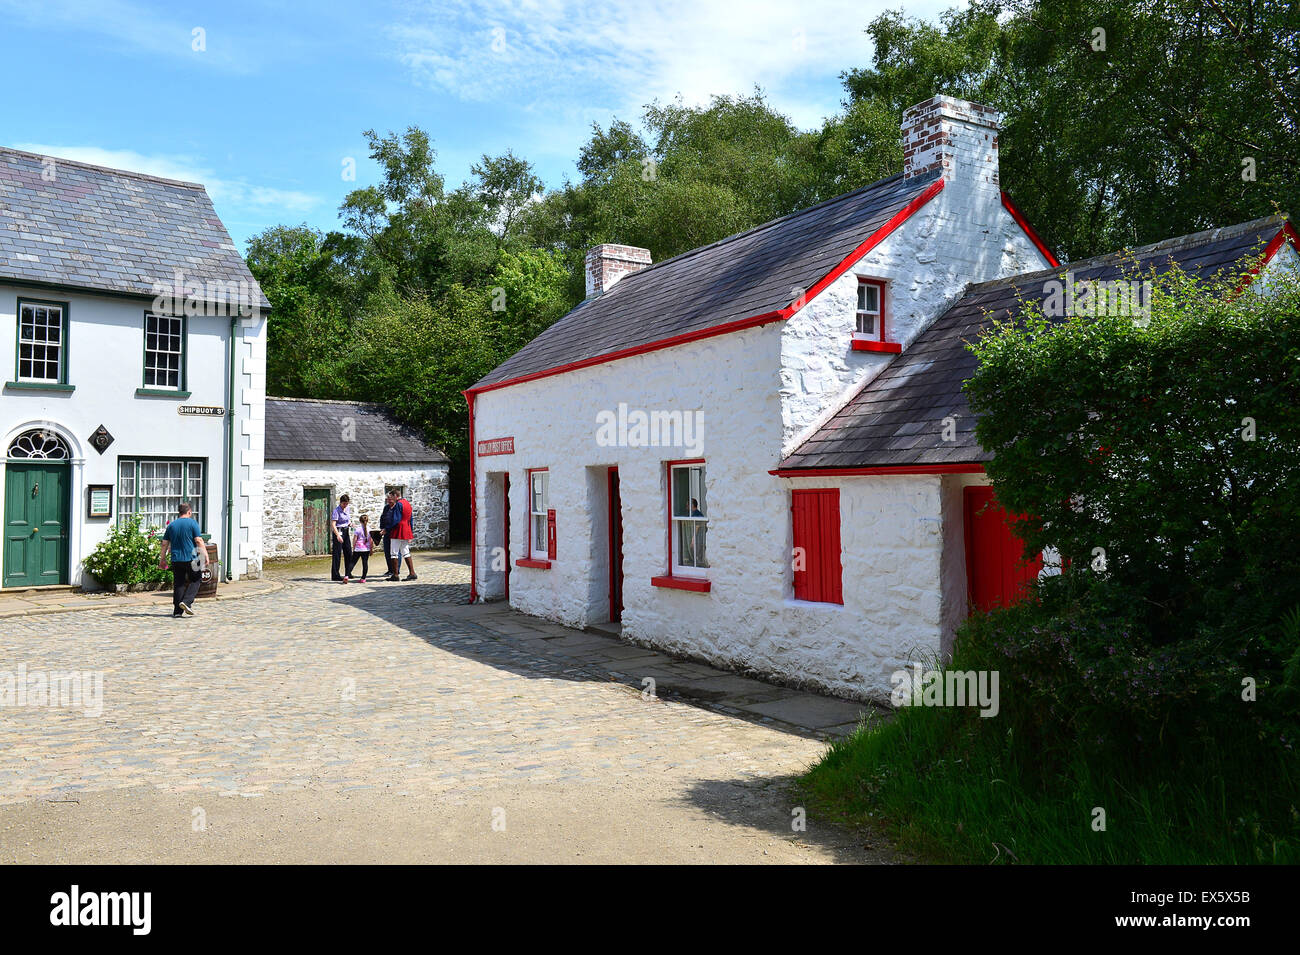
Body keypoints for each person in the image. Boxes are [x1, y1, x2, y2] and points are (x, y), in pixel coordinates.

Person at [158, 503, 207, 617]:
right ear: (189, 512)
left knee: (179, 583)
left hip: (176, 558)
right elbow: (199, 540)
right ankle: (186, 602)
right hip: (192, 558)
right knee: (196, 579)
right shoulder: (193, 523)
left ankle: (177, 612)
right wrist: (205, 555)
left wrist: (162, 559)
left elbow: (165, 543)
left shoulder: (172, 525)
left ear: (179, 512)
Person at [384, 490, 417, 581]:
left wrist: (386, 529)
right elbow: (410, 519)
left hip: (398, 530)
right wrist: (411, 532)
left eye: (391, 496)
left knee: (394, 553)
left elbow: (396, 519)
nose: (390, 498)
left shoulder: (398, 504)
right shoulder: (407, 503)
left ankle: (395, 575)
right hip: (406, 529)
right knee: (406, 551)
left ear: (396, 495)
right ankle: (412, 573)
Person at [331, 493, 354, 583]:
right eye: (344, 504)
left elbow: (347, 520)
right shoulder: (336, 511)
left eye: (347, 504)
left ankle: (348, 573)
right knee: (337, 554)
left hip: (346, 531)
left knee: (348, 552)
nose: (345, 505)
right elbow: (333, 524)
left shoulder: (347, 509)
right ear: (341, 503)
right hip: (338, 531)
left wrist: (350, 524)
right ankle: (335, 574)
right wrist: (337, 535)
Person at [348, 514, 373, 582]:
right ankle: (363, 578)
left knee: (352, 563)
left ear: (360, 521)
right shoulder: (370, 530)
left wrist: (354, 547)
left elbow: (355, 539)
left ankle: (347, 576)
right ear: (367, 521)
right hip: (366, 549)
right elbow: (371, 541)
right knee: (365, 563)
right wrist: (371, 549)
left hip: (358, 548)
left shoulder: (358, 529)